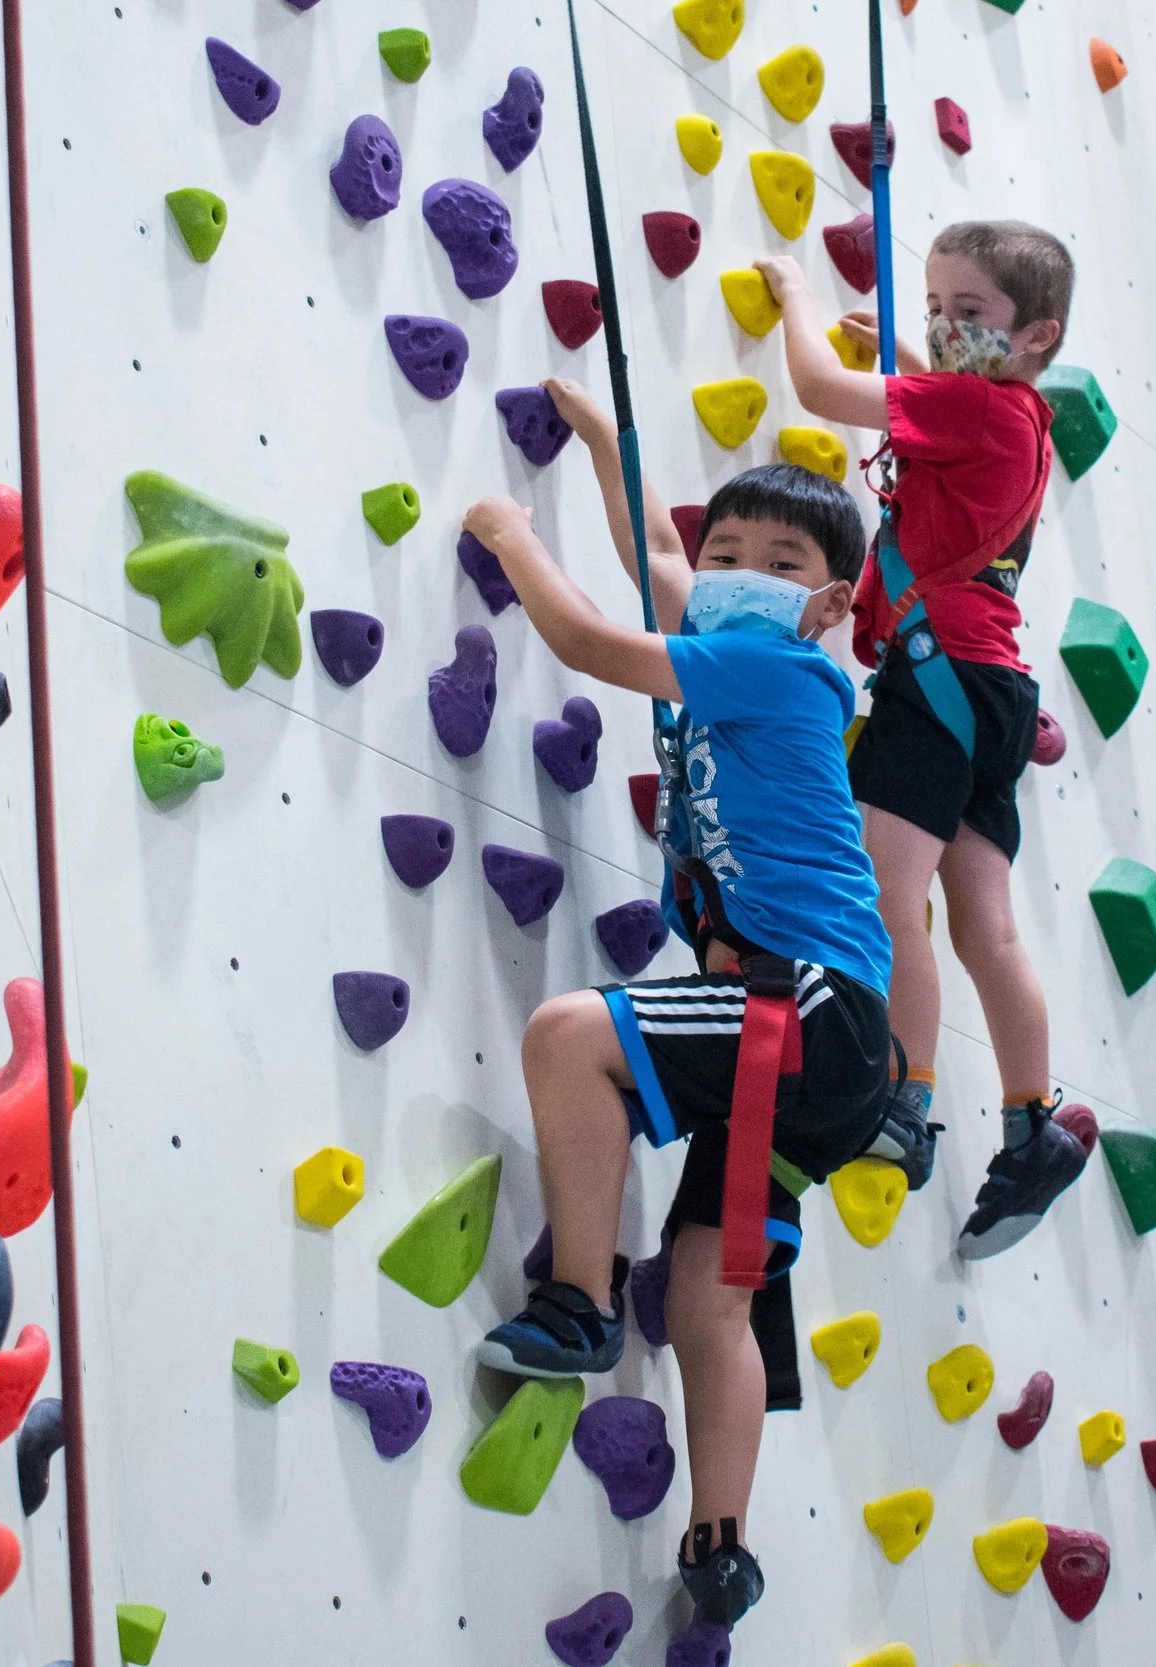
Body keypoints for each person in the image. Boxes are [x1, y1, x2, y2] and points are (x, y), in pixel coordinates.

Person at [461, 383, 925, 1632]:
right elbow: (659, 556)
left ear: (830, 605)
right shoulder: (740, 640)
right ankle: (721, 1545)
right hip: (815, 1051)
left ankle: (576, 1294)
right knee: (716, 1297)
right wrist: (613, 439)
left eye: (781, 562)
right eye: (730, 553)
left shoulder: (775, 669)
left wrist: (510, 534)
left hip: (807, 1010)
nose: (735, 571)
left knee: (571, 1034)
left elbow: (589, 643)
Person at [749, 220, 1086, 1260]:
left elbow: (812, 388)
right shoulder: (1020, 420)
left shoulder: (971, 405)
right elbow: (949, 469)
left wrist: (797, 294)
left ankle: (904, 1098)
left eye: (969, 315)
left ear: (1037, 335)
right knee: (987, 925)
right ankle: (1031, 1122)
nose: (944, 330)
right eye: (935, 310)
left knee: (891, 900)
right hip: (989, 685)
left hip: (934, 682)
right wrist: (907, 349)